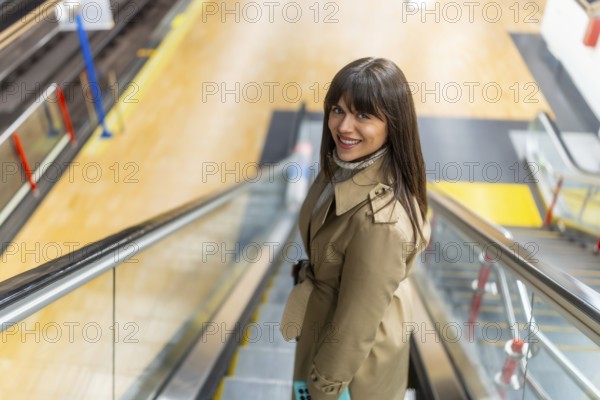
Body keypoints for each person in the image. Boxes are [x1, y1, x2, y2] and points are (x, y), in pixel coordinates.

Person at [287, 57, 431, 400]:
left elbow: (354, 328)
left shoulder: (381, 224)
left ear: (393, 125)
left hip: (350, 367)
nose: (343, 126)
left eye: (363, 115)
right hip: (326, 330)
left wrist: (324, 389)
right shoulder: (342, 166)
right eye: (338, 110)